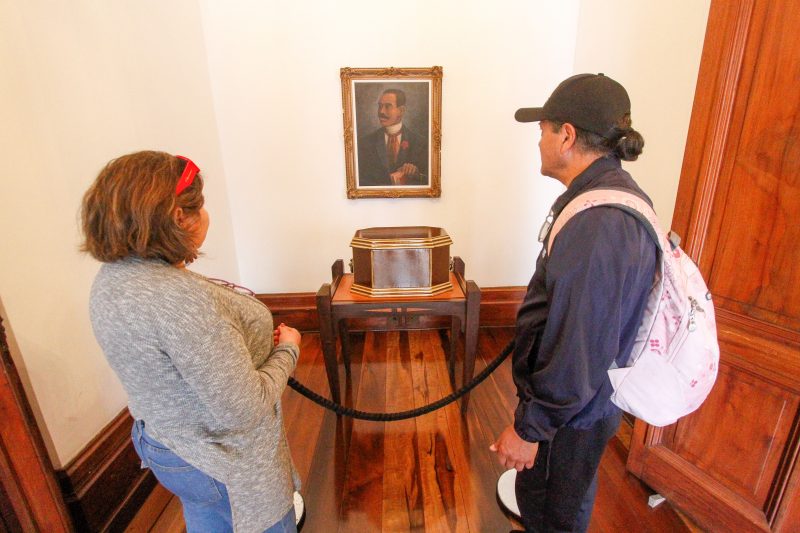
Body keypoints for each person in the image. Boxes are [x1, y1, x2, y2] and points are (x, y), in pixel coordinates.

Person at [81, 151, 301, 533]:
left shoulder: (112, 280)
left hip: (167, 445)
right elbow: (244, 411)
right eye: (199, 205)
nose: (206, 214)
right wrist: (289, 349)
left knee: (209, 520)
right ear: (179, 218)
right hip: (222, 462)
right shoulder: (180, 300)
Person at [490, 73, 656, 532]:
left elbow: (576, 351)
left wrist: (530, 431)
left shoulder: (599, 224)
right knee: (562, 499)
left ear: (566, 135)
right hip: (582, 408)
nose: (538, 140)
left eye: (542, 129)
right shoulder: (603, 199)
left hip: (570, 418)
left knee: (551, 512)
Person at [357, 88, 428, 186]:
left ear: (401, 110)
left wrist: (416, 174)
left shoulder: (420, 143)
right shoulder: (365, 143)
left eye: (388, 106)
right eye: (380, 106)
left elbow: (428, 181)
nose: (381, 111)